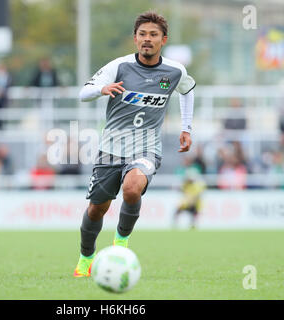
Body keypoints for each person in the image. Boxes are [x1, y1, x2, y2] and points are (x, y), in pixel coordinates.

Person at [73, 11, 196, 277]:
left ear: (163, 39)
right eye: (142, 34)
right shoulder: (119, 66)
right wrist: (101, 89)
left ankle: (120, 245)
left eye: (153, 35)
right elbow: (83, 93)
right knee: (97, 209)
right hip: (111, 149)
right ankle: (85, 259)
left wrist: (186, 127)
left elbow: (187, 90)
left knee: (132, 187)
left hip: (146, 146)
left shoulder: (175, 71)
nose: (147, 39)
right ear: (135, 39)